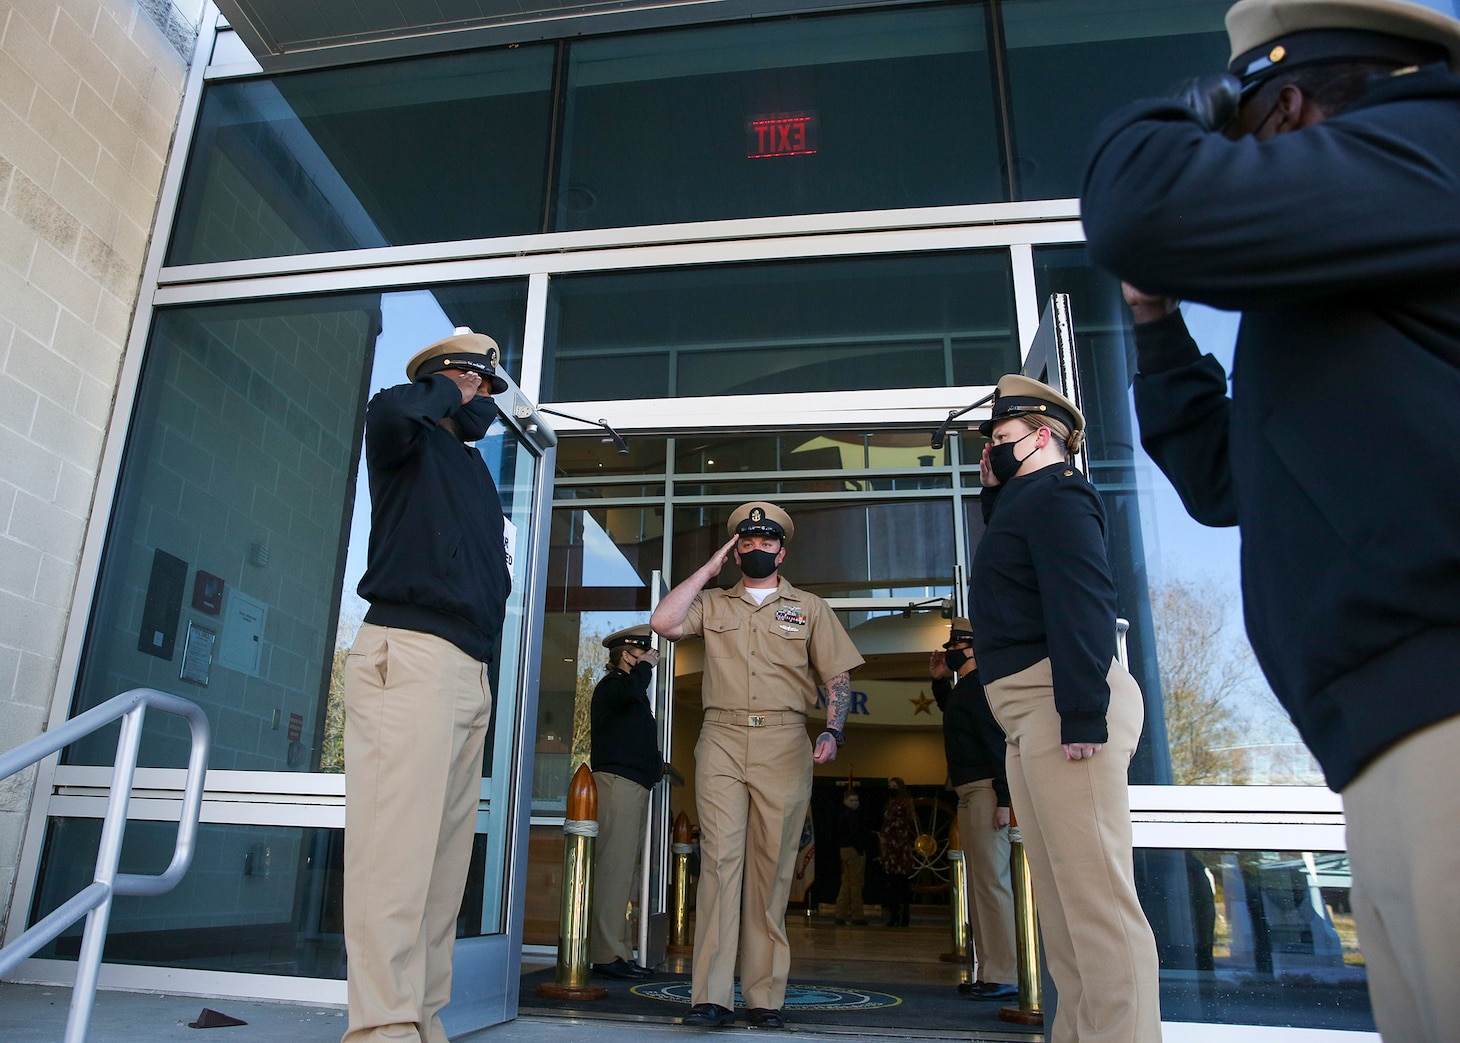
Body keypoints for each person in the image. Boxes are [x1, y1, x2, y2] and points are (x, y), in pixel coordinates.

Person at [1080, 2, 1460, 1038]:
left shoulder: (1436, 143)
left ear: (1283, 105)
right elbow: (1218, 481)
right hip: (1382, 734)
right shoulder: (1368, 260)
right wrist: (1156, 326)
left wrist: (1179, 107)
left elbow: (1136, 207)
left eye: (1240, 134)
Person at [970, 374, 1161, 1043]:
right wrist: (996, 489)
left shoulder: (1060, 494)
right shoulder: (1028, 500)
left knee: (1098, 908)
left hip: (1063, 700)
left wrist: (1083, 713)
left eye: (1000, 440)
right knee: (1063, 910)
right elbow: (1014, 568)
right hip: (1029, 712)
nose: (988, 453)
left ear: (1042, 435)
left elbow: (1082, 603)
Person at [341, 328, 511, 1043]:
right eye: (475, 383)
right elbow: (387, 413)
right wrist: (446, 384)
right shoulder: (402, 435)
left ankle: (422, 1021)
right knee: (395, 861)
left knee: (442, 874)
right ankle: (380, 1028)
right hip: (407, 654)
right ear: (444, 377)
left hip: (467, 670)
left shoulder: (472, 468)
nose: (482, 400)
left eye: (488, 390)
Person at [650, 501, 864, 1030]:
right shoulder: (713, 604)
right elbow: (663, 621)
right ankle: (711, 996)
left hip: (785, 740)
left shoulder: (810, 608)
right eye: (745, 543)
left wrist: (833, 730)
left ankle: (764, 997)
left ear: (781, 550)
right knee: (720, 865)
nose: (756, 549)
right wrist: (708, 569)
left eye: (765, 543)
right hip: (720, 737)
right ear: (736, 550)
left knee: (771, 871)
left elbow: (837, 677)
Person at [930, 618, 1018, 1002]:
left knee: (992, 884)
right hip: (970, 792)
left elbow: (997, 744)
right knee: (981, 885)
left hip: (984, 791)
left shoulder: (982, 688)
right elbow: (956, 717)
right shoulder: (967, 689)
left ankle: (1009, 972)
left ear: (971, 649)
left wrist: (1003, 799)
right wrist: (937, 681)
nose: (949, 652)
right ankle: (991, 969)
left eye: (955, 647)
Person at [589, 624, 663, 981]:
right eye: (641, 653)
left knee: (623, 872)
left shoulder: (629, 688)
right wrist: (646, 668)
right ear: (625, 655)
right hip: (618, 785)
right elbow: (631, 694)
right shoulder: (615, 686)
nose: (648, 658)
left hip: (632, 785)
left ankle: (618, 949)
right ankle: (605, 954)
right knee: (613, 870)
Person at [876, 777, 916, 928]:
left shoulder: (898, 805)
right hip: (899, 847)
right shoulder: (903, 803)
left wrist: (884, 837)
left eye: (893, 786)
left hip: (896, 848)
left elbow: (892, 825)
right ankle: (902, 914)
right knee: (901, 884)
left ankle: (898, 915)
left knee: (896, 884)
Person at [833, 786, 868, 925]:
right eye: (851, 799)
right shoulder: (853, 815)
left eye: (856, 799)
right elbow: (855, 834)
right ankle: (857, 916)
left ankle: (839, 914)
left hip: (843, 850)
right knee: (856, 884)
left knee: (845, 883)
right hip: (854, 851)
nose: (855, 802)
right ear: (845, 801)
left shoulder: (841, 815)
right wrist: (860, 850)